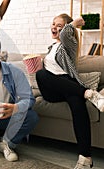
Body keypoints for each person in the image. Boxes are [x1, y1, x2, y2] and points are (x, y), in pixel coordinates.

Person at [36, 13, 104, 169]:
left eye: (59, 25)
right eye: (53, 24)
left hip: (69, 85)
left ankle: (85, 158)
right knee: (41, 74)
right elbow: (45, 74)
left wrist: (74, 23)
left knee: (77, 104)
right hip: (52, 91)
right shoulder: (51, 48)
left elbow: (66, 33)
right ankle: (88, 93)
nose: (54, 27)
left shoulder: (69, 44)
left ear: (68, 29)